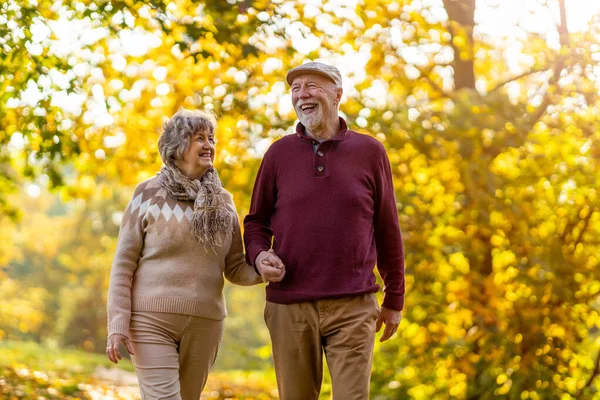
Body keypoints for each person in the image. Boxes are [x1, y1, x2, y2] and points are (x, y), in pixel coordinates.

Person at [244, 62, 405, 400]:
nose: (302, 94)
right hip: (289, 305)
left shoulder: (370, 152)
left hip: (353, 304)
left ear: (337, 94)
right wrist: (259, 257)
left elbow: (387, 228)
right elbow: (256, 222)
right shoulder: (278, 153)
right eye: (295, 88)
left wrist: (394, 297)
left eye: (312, 86)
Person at [106, 108, 284, 400]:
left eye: (211, 138)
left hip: (206, 323)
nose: (209, 145)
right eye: (199, 138)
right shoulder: (147, 194)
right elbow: (123, 266)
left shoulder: (224, 202)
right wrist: (117, 324)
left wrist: (263, 271)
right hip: (151, 319)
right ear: (177, 147)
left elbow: (235, 267)